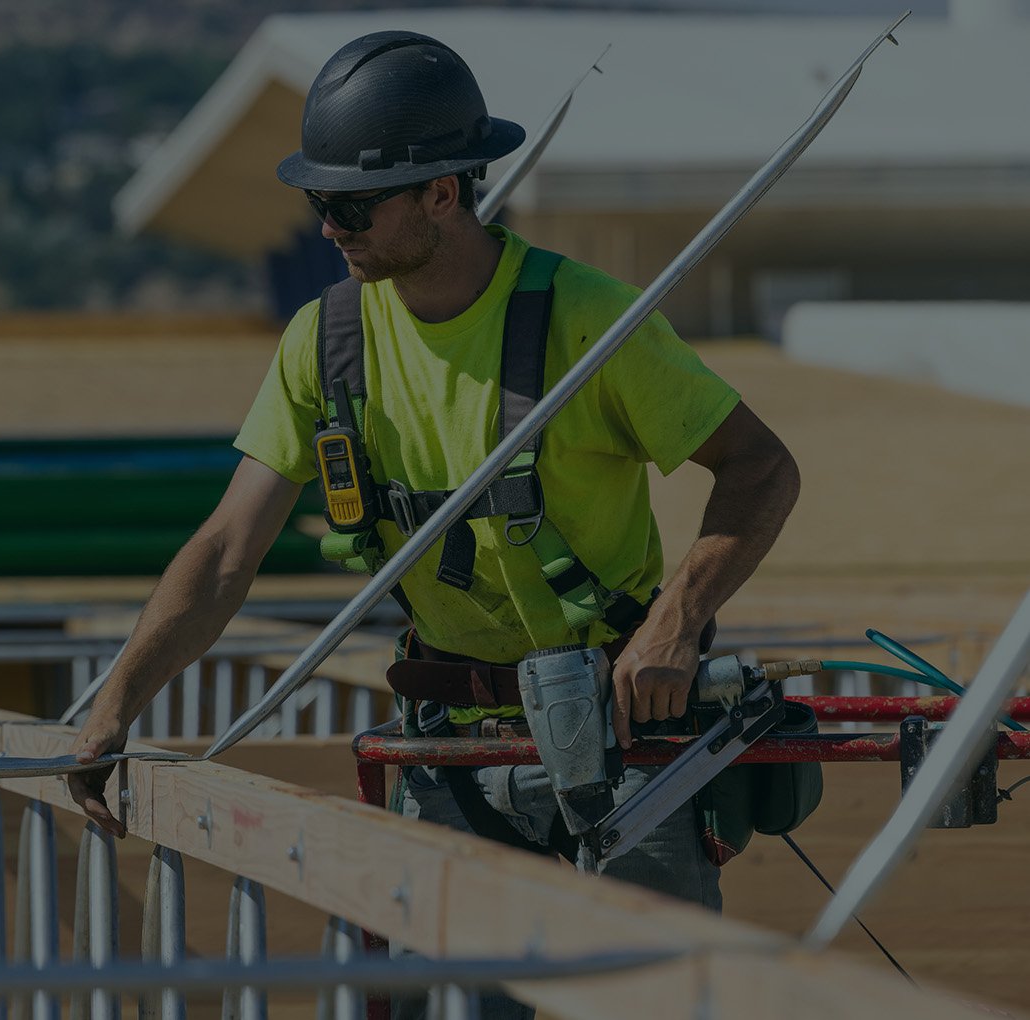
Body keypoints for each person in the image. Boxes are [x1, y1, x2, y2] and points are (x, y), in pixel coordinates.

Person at [67, 30, 800, 1015]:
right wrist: (117, 698)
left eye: (348, 205)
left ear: (442, 194)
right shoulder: (323, 343)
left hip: (622, 748)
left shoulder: (590, 324)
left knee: (650, 1000)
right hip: (446, 754)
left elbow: (759, 468)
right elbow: (224, 551)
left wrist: (675, 623)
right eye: (314, 203)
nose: (327, 228)